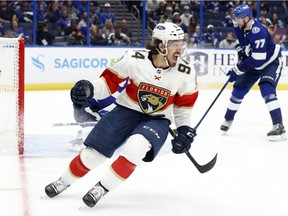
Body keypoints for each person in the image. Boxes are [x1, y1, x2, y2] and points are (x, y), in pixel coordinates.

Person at [44, 22, 198, 208]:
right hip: (126, 111)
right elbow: (108, 83)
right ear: (160, 46)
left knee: (136, 147)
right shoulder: (134, 59)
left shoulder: (186, 72)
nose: (180, 48)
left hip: (157, 120)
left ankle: (102, 187)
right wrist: (90, 88)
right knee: (93, 155)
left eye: (181, 43)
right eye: (175, 44)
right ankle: (63, 181)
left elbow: (183, 107)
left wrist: (183, 130)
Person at [221, 4, 286, 141]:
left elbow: (258, 59)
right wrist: (240, 55)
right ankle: (228, 119)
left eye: (238, 18)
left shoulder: (259, 31)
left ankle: (279, 126)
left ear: (246, 18)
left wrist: (238, 69)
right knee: (238, 90)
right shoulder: (239, 27)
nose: (235, 21)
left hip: (270, 62)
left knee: (266, 88)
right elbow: (242, 45)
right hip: (255, 63)